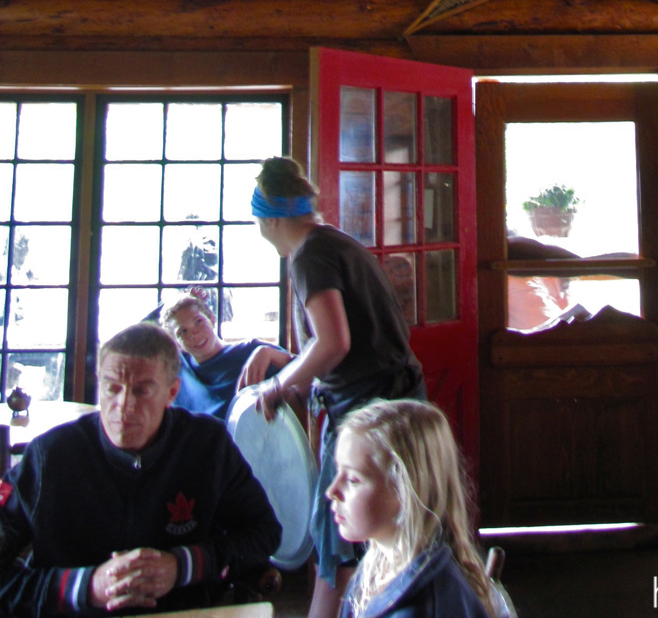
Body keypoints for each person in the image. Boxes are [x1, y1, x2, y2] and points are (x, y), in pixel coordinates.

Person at [240, 156, 425, 618]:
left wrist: (278, 385)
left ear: (271, 219)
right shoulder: (335, 243)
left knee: (336, 542)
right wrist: (284, 360)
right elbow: (347, 342)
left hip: (365, 412)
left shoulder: (309, 256)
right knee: (388, 533)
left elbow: (334, 343)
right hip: (393, 400)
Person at [0, 322, 281, 617]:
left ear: (172, 392)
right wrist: (86, 587)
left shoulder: (207, 444)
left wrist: (183, 565)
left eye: (142, 391)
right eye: (112, 388)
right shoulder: (50, 455)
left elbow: (264, 532)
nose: (124, 406)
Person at [327, 399, 495, 618]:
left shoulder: (424, 607)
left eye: (353, 479)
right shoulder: (376, 569)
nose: (332, 491)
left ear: (405, 490)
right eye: (337, 471)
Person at [162, 292, 286, 422]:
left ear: (212, 320)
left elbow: (300, 367)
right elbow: (148, 334)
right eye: (183, 331)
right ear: (176, 343)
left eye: (198, 322)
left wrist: (270, 353)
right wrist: (186, 294)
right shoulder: (178, 368)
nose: (194, 334)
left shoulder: (251, 351)